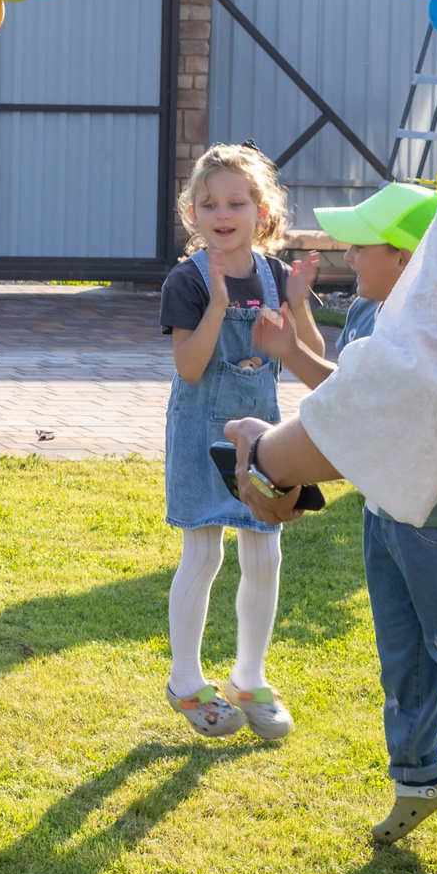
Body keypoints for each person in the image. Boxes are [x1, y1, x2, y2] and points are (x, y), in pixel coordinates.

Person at [240, 180, 437, 844]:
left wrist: (272, 451)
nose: (350, 257)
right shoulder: (369, 314)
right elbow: (349, 403)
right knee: (403, 657)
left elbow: (367, 411)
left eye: (363, 247)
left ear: (409, 260)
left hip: (432, 525)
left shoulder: (423, 337)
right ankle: (418, 776)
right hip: (384, 515)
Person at [155, 144, 324, 743]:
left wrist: (297, 305)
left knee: (265, 555)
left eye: (235, 202)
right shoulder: (188, 280)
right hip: (199, 435)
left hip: (263, 440)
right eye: (208, 204)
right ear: (192, 213)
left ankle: (249, 679)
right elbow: (190, 367)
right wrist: (219, 307)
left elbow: (311, 362)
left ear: (262, 211)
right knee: (203, 555)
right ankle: (185, 681)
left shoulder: (276, 277)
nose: (221, 214)